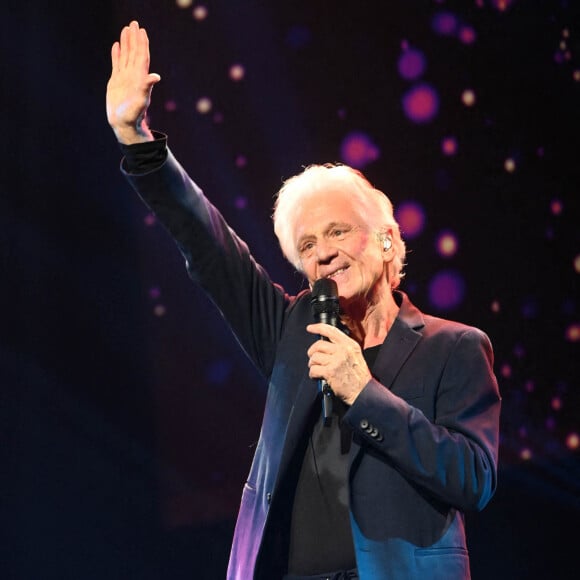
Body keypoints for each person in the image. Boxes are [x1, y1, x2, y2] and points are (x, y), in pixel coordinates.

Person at [107, 21, 501, 580]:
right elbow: (211, 247)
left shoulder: (454, 347)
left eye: (339, 232)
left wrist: (361, 392)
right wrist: (139, 143)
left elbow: (473, 478)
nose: (325, 254)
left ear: (387, 239)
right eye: (308, 245)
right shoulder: (294, 327)